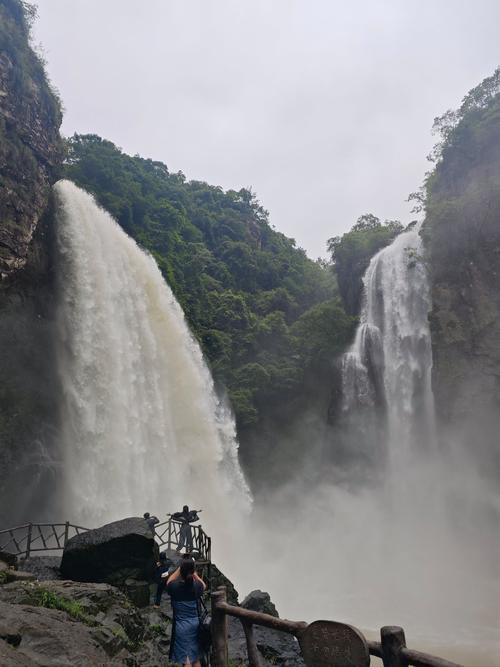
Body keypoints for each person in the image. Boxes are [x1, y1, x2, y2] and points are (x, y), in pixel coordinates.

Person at [165, 557, 206, 667]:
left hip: (181, 626)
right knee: (196, 656)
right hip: (196, 624)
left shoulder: (175, 588)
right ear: (192, 572)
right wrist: (194, 574)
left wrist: (179, 568)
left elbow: (168, 582)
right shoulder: (197, 587)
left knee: (186, 658)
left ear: (181, 572)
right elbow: (204, 585)